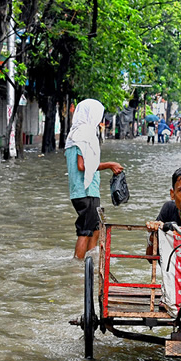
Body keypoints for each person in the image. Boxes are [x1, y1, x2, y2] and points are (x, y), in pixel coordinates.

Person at [65, 98, 124, 260]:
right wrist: (109, 165)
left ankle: (90, 262)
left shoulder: (74, 134)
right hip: (86, 191)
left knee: (96, 227)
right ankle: (77, 269)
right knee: (85, 231)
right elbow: (82, 166)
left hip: (84, 190)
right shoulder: (84, 134)